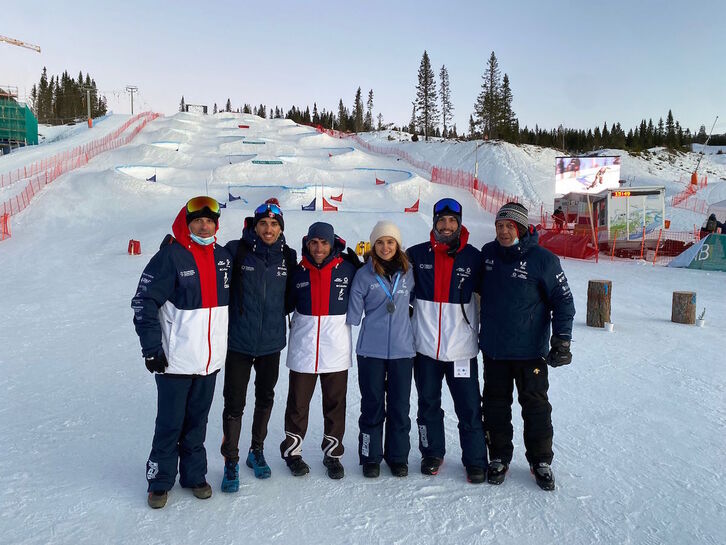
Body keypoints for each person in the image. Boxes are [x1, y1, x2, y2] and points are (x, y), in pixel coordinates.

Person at [131, 196, 231, 509]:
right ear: (187, 224)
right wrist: (151, 349)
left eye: (209, 221)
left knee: (197, 423)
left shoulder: (222, 257)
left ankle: (194, 475)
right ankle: (159, 481)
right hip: (174, 362)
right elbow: (144, 302)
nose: (204, 226)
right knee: (170, 424)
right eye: (198, 221)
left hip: (209, 362)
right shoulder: (170, 257)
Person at [477, 202, 575, 491]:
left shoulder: (543, 259)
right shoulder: (488, 254)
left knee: (535, 407)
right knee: (495, 405)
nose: (503, 231)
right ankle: (499, 456)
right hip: (495, 350)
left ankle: (540, 460)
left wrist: (562, 339)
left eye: (509, 226)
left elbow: (563, 300)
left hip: (530, 351)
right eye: (499, 226)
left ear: (521, 228)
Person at [407, 198, 488, 484]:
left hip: (461, 350)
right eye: (441, 220)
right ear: (434, 222)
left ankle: (476, 461)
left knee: (469, 408)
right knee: (427, 404)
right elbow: (390, 274)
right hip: (425, 348)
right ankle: (431, 453)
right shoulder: (416, 254)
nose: (446, 226)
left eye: (452, 221)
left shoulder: (474, 258)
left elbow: (495, 292)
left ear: (459, 223)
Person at [219, 201, 296, 493]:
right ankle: (231, 460)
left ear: (281, 229)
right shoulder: (236, 251)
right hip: (239, 341)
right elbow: (211, 265)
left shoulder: (288, 256)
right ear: (254, 226)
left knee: (265, 397)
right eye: (263, 223)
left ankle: (256, 450)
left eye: (274, 224)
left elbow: (293, 295)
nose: (268, 229)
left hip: (271, 343)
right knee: (234, 402)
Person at [279, 222, 359, 479]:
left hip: (336, 349)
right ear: (307, 243)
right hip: (304, 349)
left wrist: (362, 264)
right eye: (314, 242)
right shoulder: (298, 271)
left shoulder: (348, 269)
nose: (319, 248)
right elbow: (284, 303)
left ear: (333, 243)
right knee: (298, 404)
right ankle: (293, 453)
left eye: (324, 243)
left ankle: (333, 455)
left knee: (335, 405)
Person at [347, 221, 416, 478]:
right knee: (372, 405)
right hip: (371, 352)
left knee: (399, 406)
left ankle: (398, 457)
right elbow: (353, 315)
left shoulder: (409, 272)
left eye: (390, 242)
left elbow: (420, 300)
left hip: (402, 351)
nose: (385, 247)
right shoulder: (363, 275)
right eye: (379, 242)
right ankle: (370, 457)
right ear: (372, 245)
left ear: (397, 245)